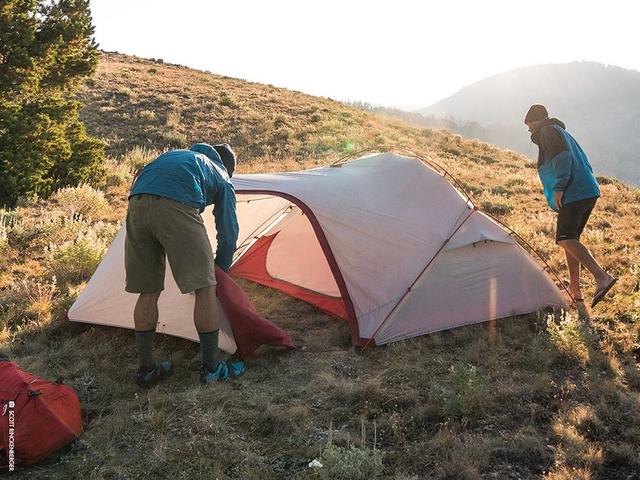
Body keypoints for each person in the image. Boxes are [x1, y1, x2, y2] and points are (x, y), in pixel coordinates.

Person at [125, 142, 245, 387]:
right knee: (205, 287)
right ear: (228, 168)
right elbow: (228, 233)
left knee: (148, 290)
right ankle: (213, 370)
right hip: (175, 204)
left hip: (136, 203)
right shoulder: (221, 173)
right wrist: (219, 273)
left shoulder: (178, 157)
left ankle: (147, 369)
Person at [524, 104, 617, 308]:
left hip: (574, 193)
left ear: (535, 121)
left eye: (529, 124)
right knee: (571, 240)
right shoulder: (560, 131)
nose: (529, 129)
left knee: (565, 238)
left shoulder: (547, 131)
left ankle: (602, 277)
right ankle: (575, 289)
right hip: (587, 191)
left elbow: (562, 160)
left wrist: (559, 189)